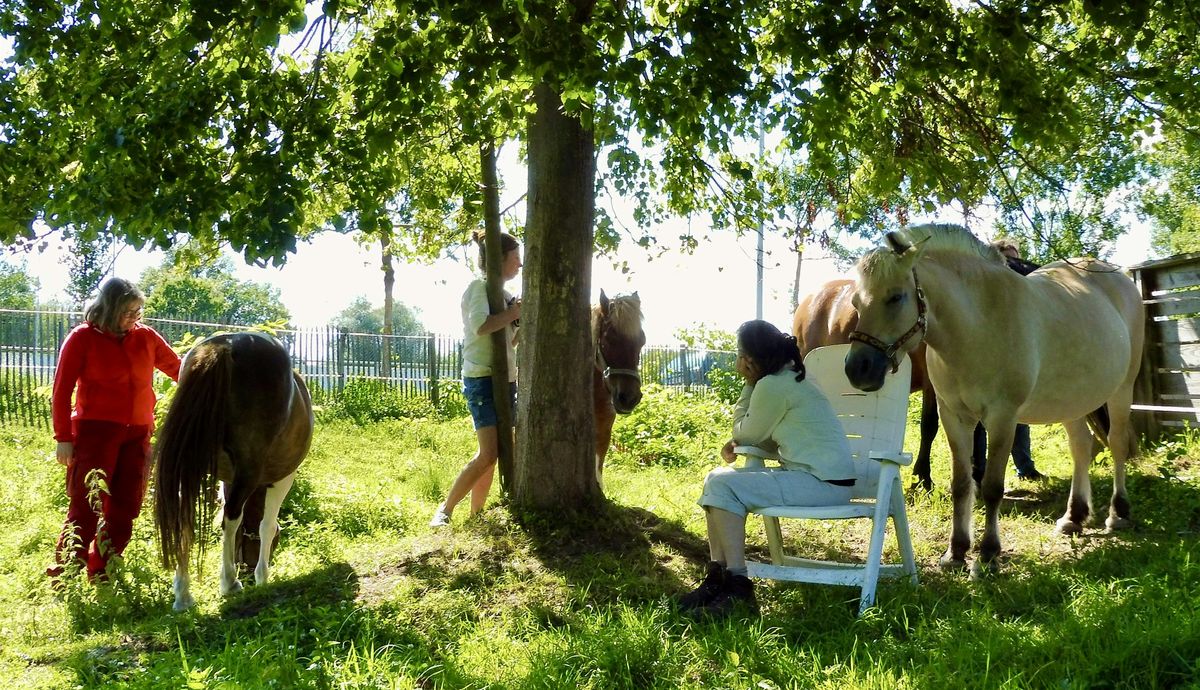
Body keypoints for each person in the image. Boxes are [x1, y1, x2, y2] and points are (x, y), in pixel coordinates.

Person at [678, 320, 854, 618]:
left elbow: (745, 432)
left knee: (722, 484)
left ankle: (738, 588)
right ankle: (718, 579)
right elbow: (775, 438)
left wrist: (748, 385)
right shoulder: (795, 377)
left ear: (748, 359)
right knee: (716, 479)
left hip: (821, 483)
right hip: (821, 479)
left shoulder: (772, 385)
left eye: (739, 354)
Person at [49, 277, 181, 583]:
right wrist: (63, 438)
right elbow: (61, 391)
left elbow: (178, 368)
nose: (135, 317)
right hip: (96, 433)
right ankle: (65, 574)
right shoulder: (81, 338)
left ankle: (103, 571)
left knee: (126, 505)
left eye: (138, 311)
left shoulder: (146, 337)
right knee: (86, 504)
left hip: (138, 434)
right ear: (109, 309)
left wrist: (211, 374)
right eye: (128, 311)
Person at [430, 232, 522, 527]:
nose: (520, 264)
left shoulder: (506, 296)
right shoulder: (477, 289)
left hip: (506, 380)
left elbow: (510, 342)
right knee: (488, 453)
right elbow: (482, 326)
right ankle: (444, 511)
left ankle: (476, 516)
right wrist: (515, 313)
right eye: (516, 257)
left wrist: (521, 320)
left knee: (495, 454)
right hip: (482, 378)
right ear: (500, 259)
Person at [970, 239, 1045, 483]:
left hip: (1013, 364)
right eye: (1009, 258)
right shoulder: (985, 288)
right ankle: (978, 472)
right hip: (985, 365)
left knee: (1019, 418)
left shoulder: (1022, 289)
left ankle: (1025, 467)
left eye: (1016, 257)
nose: (1015, 263)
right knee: (980, 422)